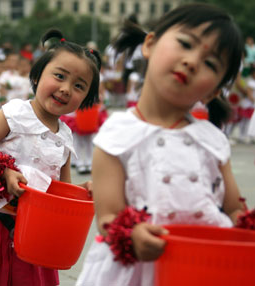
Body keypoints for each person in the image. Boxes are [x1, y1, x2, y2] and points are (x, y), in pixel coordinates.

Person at [76, 4, 246, 286]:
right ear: (150, 44)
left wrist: (242, 223)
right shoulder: (116, 134)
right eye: (185, 44)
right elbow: (108, 216)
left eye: (211, 64)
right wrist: (132, 235)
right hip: (138, 269)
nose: (192, 61)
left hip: (203, 265)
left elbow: (233, 208)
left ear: (214, 91)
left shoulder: (212, 139)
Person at [0, 28, 101, 286]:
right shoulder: (15, 113)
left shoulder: (66, 137)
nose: (66, 89)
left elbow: (61, 190)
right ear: (36, 76)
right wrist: (3, 172)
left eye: (79, 86)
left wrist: (82, 191)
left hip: (36, 228)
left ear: (87, 98)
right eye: (59, 76)